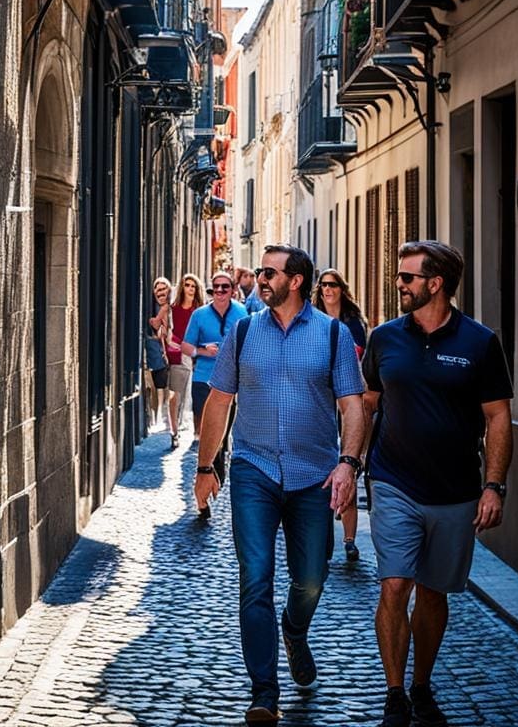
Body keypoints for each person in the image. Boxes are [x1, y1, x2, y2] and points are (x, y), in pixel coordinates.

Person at [194, 244, 365, 724]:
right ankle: (264, 691)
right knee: (255, 579)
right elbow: (220, 399)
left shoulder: (332, 336)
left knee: (311, 578)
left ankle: (294, 629)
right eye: (262, 271)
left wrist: (348, 464)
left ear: (296, 281)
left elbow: (353, 405)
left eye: (269, 272)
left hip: (314, 475)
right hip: (254, 469)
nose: (260, 278)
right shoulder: (244, 330)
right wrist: (207, 468)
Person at [362, 241, 513, 727]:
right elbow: (367, 403)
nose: (398, 284)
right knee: (395, 583)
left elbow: (498, 417)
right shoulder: (384, 338)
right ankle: (393, 695)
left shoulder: (480, 342)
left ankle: (421, 684)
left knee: (432, 592)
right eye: (399, 276)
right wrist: (350, 460)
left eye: (407, 277)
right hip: (392, 481)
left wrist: (494, 485)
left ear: (436, 284)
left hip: (456, 490)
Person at [313, 268, 369, 562]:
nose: (327, 290)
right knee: (322, 467)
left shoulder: (353, 323)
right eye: (323, 285)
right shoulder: (310, 320)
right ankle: (316, 531)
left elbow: (357, 360)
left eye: (332, 285)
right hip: (320, 401)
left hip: (347, 401)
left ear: (341, 289)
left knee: (347, 466)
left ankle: (349, 540)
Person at [181, 270, 247, 445]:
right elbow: (185, 347)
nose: (219, 291)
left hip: (231, 380)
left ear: (232, 290)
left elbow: (248, 342)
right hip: (203, 378)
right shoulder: (199, 314)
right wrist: (203, 351)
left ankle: (220, 463)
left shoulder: (241, 312)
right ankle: (208, 468)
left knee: (224, 434)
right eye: (215, 287)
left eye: (224, 287)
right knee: (206, 432)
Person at [164, 274, 203, 449]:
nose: (190, 289)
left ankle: (198, 433)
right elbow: (167, 335)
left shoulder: (201, 310)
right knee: (175, 396)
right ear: (182, 287)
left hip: (198, 356)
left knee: (198, 395)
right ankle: (174, 433)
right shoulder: (173, 309)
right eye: (187, 285)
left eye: (193, 286)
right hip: (178, 355)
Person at [145, 277, 172, 431]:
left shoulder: (167, 307)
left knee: (167, 385)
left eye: (163, 289)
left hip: (169, 348)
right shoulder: (158, 307)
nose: (160, 292)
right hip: (158, 349)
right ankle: (159, 416)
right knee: (158, 383)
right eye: (158, 289)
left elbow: (157, 324)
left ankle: (165, 417)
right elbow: (156, 325)